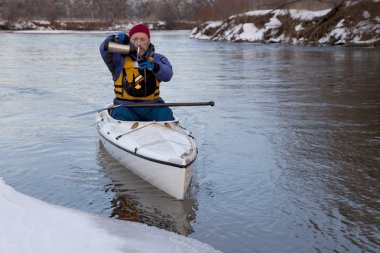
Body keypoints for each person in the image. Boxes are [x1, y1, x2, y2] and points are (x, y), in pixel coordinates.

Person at [99, 24, 174, 121]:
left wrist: (155, 67)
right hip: (125, 107)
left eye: (143, 39)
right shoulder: (118, 59)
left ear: (149, 41)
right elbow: (103, 48)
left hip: (153, 106)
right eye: (135, 39)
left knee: (165, 113)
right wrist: (114, 38)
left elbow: (168, 75)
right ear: (129, 41)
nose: (138, 43)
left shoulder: (158, 59)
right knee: (119, 114)